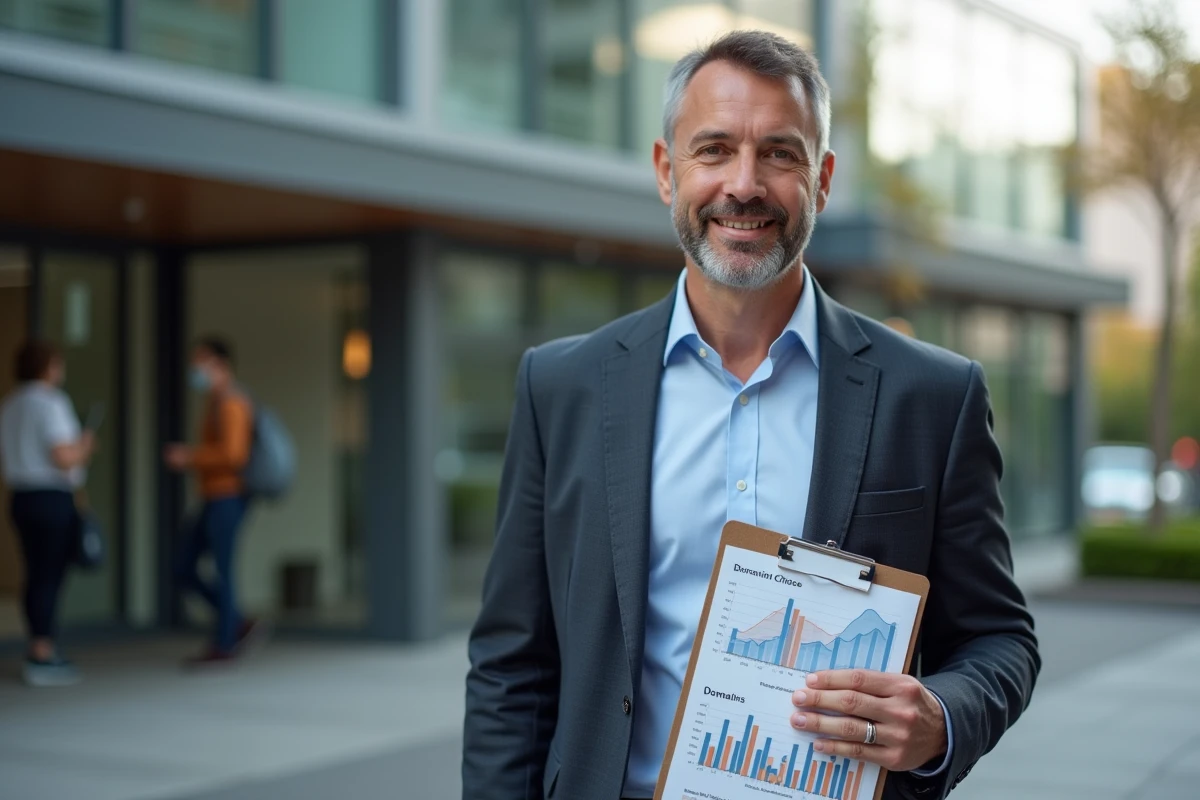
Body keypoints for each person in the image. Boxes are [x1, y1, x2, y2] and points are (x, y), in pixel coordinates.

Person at [462, 31, 1039, 800]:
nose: (744, 184)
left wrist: (941, 715)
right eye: (714, 149)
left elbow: (1000, 639)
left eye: (780, 153)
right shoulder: (563, 386)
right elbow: (513, 664)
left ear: (823, 179)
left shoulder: (932, 397)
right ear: (668, 172)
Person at [0, 341, 94, 687]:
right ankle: (43, 651)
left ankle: (37, 644)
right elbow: (62, 456)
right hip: (51, 497)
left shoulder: (10, 404)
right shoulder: (51, 402)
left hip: (20, 497)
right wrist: (84, 447)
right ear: (50, 366)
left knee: (34, 572)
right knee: (49, 575)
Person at [165, 336, 262, 665]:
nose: (196, 369)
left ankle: (225, 644)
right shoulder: (215, 402)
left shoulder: (233, 403)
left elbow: (235, 455)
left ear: (221, 364)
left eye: (202, 362)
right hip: (211, 497)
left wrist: (190, 457)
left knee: (223, 569)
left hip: (228, 497)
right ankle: (235, 620)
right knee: (182, 566)